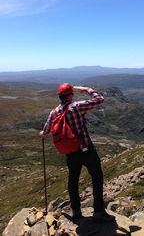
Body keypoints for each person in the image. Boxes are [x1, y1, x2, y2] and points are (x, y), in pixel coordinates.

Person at [40, 83, 115, 222]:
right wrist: (86, 89)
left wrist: (42, 133)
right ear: (70, 95)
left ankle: (76, 212)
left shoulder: (54, 112)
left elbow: (46, 130)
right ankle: (98, 211)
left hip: (71, 153)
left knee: (73, 181)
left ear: (59, 96)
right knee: (97, 177)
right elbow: (99, 99)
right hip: (86, 150)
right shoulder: (76, 107)